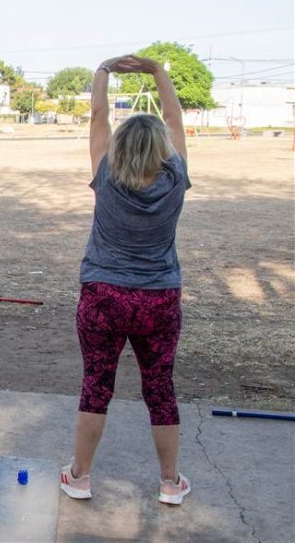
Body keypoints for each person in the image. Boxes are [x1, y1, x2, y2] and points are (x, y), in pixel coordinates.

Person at [60, 55, 192, 506]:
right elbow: (173, 117)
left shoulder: (107, 175)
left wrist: (102, 70)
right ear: (162, 148)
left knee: (96, 385)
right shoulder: (175, 178)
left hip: (103, 296)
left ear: (120, 147)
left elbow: (97, 116)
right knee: (160, 389)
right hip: (159, 299)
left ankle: (79, 477)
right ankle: (170, 483)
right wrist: (157, 71)